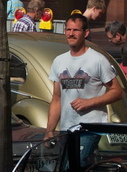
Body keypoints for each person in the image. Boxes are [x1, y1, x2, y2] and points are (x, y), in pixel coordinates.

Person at [45, 15, 121, 156]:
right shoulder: (59, 61)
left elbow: (117, 91)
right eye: (68, 30)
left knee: (76, 165)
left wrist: (90, 102)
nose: (71, 34)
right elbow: (56, 98)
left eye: (76, 30)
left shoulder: (97, 60)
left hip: (89, 127)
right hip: (66, 128)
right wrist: (49, 130)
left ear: (86, 33)